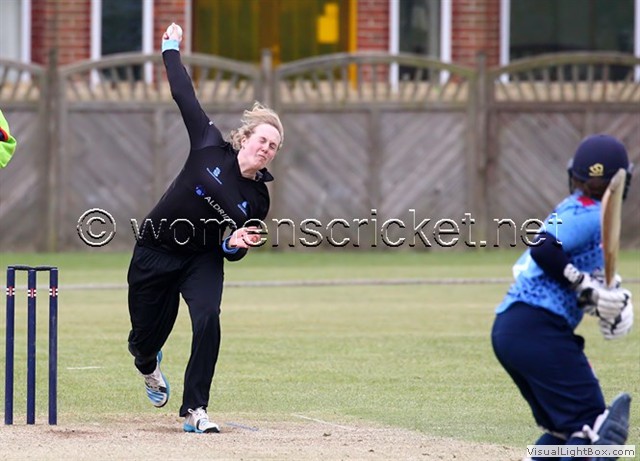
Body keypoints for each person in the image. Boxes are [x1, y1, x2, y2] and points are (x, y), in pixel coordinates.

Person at [127, 23, 284, 433]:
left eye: (274, 146)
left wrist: (234, 244)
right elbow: (184, 94)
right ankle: (147, 363)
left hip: (203, 257)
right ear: (246, 138)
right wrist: (170, 48)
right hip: (155, 247)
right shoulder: (209, 143)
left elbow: (238, 246)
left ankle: (195, 409)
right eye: (263, 140)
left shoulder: (258, 199)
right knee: (144, 338)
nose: (267, 148)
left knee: (208, 317)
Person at [491, 134, 634, 461]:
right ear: (621, 182)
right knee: (595, 430)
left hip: (513, 328)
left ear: (575, 176)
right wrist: (582, 284)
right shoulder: (590, 214)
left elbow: (564, 273)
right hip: (537, 328)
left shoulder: (574, 209)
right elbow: (542, 248)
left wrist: (603, 300)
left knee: (566, 431)